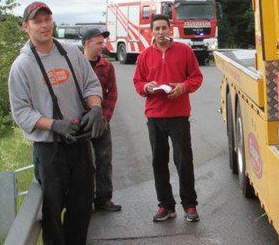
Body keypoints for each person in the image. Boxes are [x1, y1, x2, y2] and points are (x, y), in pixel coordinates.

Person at [8, 2, 107, 245]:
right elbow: (21, 112)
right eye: (37, 21)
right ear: (25, 27)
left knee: (81, 205)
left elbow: (91, 85)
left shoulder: (71, 53)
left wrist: (95, 109)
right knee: (52, 210)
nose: (44, 25)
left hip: (78, 143)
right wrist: (53, 124)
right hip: (49, 148)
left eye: (47, 19)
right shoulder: (22, 66)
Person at [133, 13, 203, 222]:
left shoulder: (184, 50)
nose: (161, 32)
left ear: (170, 29)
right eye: (157, 29)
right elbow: (138, 82)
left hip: (179, 115)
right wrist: (147, 87)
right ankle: (165, 205)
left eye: (164, 28)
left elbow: (196, 77)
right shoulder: (144, 55)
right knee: (158, 162)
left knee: (184, 161)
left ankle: (189, 205)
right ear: (151, 32)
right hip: (154, 115)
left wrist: (183, 87)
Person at [82, 27, 121, 212]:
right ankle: (84, 201)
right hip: (80, 122)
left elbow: (112, 93)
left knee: (104, 160)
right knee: (83, 163)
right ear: (87, 43)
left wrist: (104, 118)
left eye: (102, 43)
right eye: (98, 43)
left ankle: (104, 199)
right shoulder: (75, 64)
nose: (102, 46)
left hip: (102, 121)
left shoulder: (107, 66)